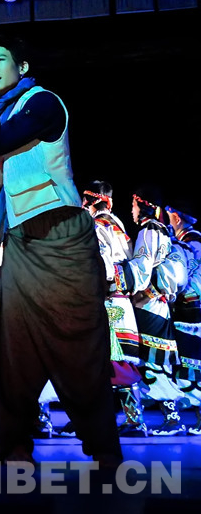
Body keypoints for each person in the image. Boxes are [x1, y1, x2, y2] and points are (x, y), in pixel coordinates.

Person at [0, 33, 123, 466]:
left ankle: (104, 450)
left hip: (61, 233)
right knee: (13, 349)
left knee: (78, 348)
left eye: (0, 59)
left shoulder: (43, 103)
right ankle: (14, 451)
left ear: (23, 67)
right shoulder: (2, 115)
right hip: (22, 239)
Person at [55, 180, 147, 438]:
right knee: (118, 363)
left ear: (91, 202)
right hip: (121, 300)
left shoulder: (95, 226)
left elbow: (101, 263)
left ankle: (96, 420)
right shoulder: (118, 226)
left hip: (103, 301)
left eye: (85, 201)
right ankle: (131, 419)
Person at [112, 185, 188, 436]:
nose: (132, 210)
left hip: (148, 303)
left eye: (134, 205)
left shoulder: (149, 230)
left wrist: (116, 275)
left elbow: (142, 267)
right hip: (158, 304)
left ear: (142, 204)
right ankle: (156, 419)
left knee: (148, 363)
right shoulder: (163, 230)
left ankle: (163, 420)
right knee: (153, 363)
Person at [165, 198, 201, 436]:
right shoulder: (195, 241)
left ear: (176, 218)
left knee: (190, 367)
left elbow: (184, 280)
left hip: (190, 311)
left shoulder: (187, 244)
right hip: (195, 310)